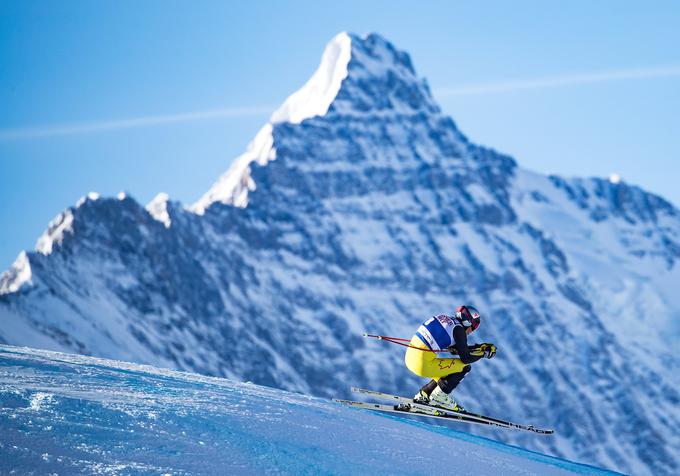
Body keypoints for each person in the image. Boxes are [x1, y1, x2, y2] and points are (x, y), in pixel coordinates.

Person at [404, 305, 496, 412]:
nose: (472, 330)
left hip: (409, 359)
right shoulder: (459, 329)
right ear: (468, 322)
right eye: (474, 326)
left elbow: (456, 349)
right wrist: (484, 354)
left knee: (450, 369)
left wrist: (479, 348)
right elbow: (465, 358)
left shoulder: (444, 319)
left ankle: (425, 393)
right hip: (422, 365)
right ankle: (439, 397)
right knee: (464, 367)